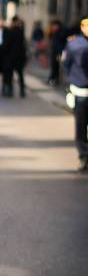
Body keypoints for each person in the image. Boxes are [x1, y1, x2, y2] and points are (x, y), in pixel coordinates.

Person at [62, 16, 88, 171]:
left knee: (81, 126)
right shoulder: (75, 44)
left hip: (80, 90)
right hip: (80, 90)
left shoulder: (73, 44)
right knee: (81, 126)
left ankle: (84, 155)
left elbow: (66, 65)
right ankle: (84, 156)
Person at [1, 16, 27, 98]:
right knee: (20, 73)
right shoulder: (20, 31)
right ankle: (22, 90)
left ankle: (10, 90)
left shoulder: (10, 31)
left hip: (11, 56)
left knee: (10, 73)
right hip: (19, 56)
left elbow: (7, 44)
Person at [47, 20, 67, 86]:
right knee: (54, 66)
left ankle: (55, 79)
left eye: (54, 26)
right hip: (55, 52)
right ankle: (54, 79)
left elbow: (62, 42)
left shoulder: (61, 32)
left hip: (59, 52)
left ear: (57, 26)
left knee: (59, 66)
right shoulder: (54, 32)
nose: (53, 27)